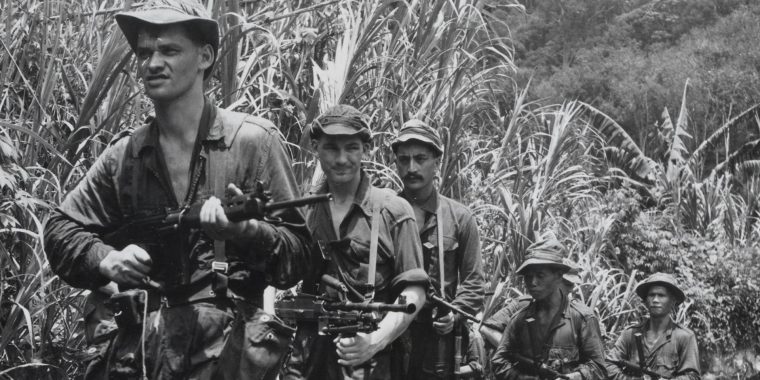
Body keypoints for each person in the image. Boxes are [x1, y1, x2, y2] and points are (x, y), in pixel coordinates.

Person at [43, 1, 311, 378]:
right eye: (144, 52)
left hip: (226, 356)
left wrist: (247, 232)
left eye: (169, 50)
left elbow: (298, 257)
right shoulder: (126, 155)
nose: (152, 63)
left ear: (204, 57)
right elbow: (59, 229)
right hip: (139, 354)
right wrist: (106, 258)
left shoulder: (253, 143)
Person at [281, 105, 428, 380]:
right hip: (306, 358)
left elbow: (415, 291)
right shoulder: (303, 209)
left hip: (368, 361)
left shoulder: (393, 210)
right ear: (316, 148)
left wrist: (376, 341)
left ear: (366, 150)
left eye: (351, 148)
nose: (341, 159)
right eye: (331, 148)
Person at [389, 119, 485, 379]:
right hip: (391, 333)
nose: (411, 168)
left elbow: (474, 282)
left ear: (436, 162)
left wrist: (454, 315)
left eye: (420, 158)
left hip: (437, 338)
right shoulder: (383, 214)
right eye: (404, 159)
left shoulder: (459, 218)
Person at [491, 240, 606, 380]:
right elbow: (498, 362)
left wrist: (573, 377)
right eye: (528, 276)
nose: (532, 283)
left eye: (540, 276)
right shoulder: (519, 319)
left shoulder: (582, 318)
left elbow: (598, 368)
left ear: (558, 276)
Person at [605, 273, 701, 380]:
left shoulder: (684, 337)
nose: (655, 300)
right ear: (646, 301)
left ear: (673, 301)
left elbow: (692, 376)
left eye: (661, 295)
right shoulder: (630, 334)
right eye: (651, 295)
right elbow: (608, 365)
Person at [480, 263, 582, 348]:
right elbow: (487, 328)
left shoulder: (575, 314)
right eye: (566, 283)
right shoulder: (524, 304)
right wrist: (511, 353)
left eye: (572, 284)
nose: (570, 289)